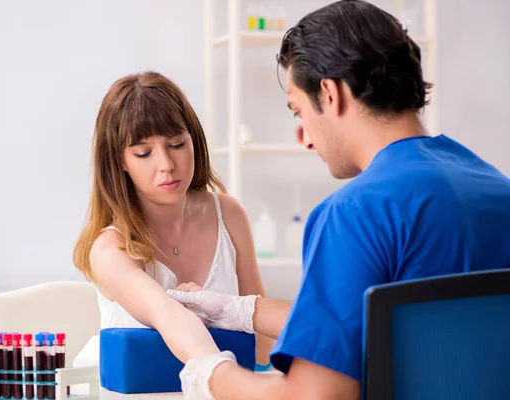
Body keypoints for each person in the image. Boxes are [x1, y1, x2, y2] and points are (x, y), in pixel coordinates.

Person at [167, 1, 510, 399]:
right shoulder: (497, 190)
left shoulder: (354, 214)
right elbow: (417, 329)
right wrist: (243, 310)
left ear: (329, 94)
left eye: (299, 112)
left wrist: (212, 375)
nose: (307, 138)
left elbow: (316, 397)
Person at [71, 71, 273, 368]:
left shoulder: (229, 215)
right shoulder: (110, 248)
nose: (166, 165)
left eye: (177, 144)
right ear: (120, 162)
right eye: (143, 153)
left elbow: (263, 347)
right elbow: (168, 315)